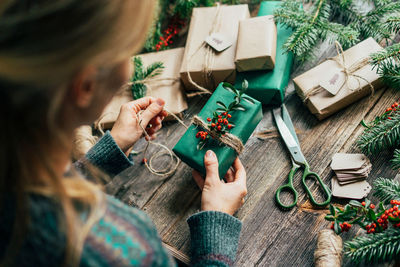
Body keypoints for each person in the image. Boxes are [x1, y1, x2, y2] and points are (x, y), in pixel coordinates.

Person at [0, 1, 248, 266]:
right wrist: (216, 224)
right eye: (131, 50)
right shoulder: (124, 250)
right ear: (85, 85)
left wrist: (104, 154)